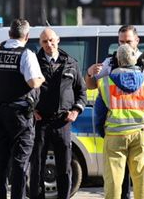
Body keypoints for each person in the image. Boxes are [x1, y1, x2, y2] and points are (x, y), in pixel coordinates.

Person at [84, 25, 144, 199]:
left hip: (119, 131)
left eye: (128, 41)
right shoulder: (110, 61)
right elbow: (92, 85)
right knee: (137, 178)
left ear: (137, 41)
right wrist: (89, 73)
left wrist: (143, 88)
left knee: (116, 178)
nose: (124, 45)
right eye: (121, 41)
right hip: (140, 128)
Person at [0, 19, 45, 199]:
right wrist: (41, 79)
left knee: (0, 162)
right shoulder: (26, 54)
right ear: (27, 36)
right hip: (20, 115)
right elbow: (33, 82)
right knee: (20, 162)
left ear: (9, 34)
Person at [93, 44, 144, 199]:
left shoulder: (105, 83)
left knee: (114, 179)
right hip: (141, 133)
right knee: (141, 176)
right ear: (135, 59)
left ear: (117, 60)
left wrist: (102, 132)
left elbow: (98, 114)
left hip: (115, 134)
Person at [30, 29, 87, 199]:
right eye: (45, 42)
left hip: (62, 122)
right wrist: (31, 109)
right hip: (40, 121)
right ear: (40, 43)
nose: (49, 44)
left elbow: (81, 92)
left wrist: (76, 110)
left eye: (51, 40)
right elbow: (24, 90)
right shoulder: (33, 62)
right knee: (37, 165)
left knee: (64, 166)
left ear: (58, 40)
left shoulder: (70, 62)